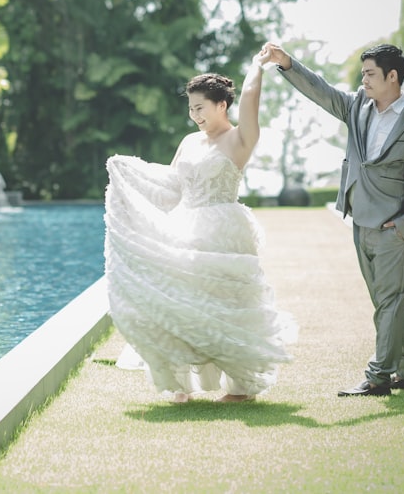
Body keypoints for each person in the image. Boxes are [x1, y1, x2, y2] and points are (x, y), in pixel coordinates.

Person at [104, 48, 296, 403]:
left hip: (224, 229)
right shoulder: (189, 141)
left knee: (226, 304)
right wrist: (127, 169)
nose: (194, 116)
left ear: (221, 105)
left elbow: (251, 98)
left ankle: (240, 388)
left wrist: (257, 66)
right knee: (183, 301)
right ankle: (180, 384)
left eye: (200, 108)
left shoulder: (240, 139)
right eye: (190, 109)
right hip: (185, 227)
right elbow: (172, 184)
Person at [259, 42, 404, 397]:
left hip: (393, 230)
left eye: (370, 74)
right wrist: (287, 64)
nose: (364, 80)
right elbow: (321, 91)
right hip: (360, 223)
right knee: (389, 300)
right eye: (363, 74)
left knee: (389, 302)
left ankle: (378, 377)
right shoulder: (357, 105)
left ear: (393, 76)